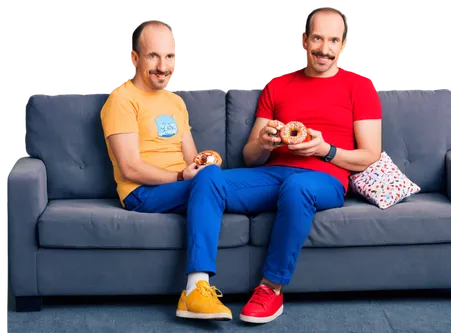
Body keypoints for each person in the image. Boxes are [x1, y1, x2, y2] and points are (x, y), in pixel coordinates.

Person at [230, 5, 382, 324]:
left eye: (333, 41)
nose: (324, 49)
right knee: (212, 180)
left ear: (343, 46)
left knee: (297, 186)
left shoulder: (360, 86)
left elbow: (369, 154)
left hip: (324, 178)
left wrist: (325, 150)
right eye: (317, 38)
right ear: (303, 40)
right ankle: (196, 284)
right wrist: (264, 143)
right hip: (274, 173)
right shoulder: (278, 84)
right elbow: (249, 157)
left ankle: (271, 288)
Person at [100, 19, 234, 321]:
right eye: (153, 56)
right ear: (133, 58)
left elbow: (192, 159)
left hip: (181, 186)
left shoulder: (175, 102)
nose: (163, 66)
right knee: (218, 184)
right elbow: (130, 167)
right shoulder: (122, 99)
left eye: (170, 57)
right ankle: (194, 289)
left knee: (218, 177)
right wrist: (181, 176)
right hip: (142, 193)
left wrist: (206, 161)